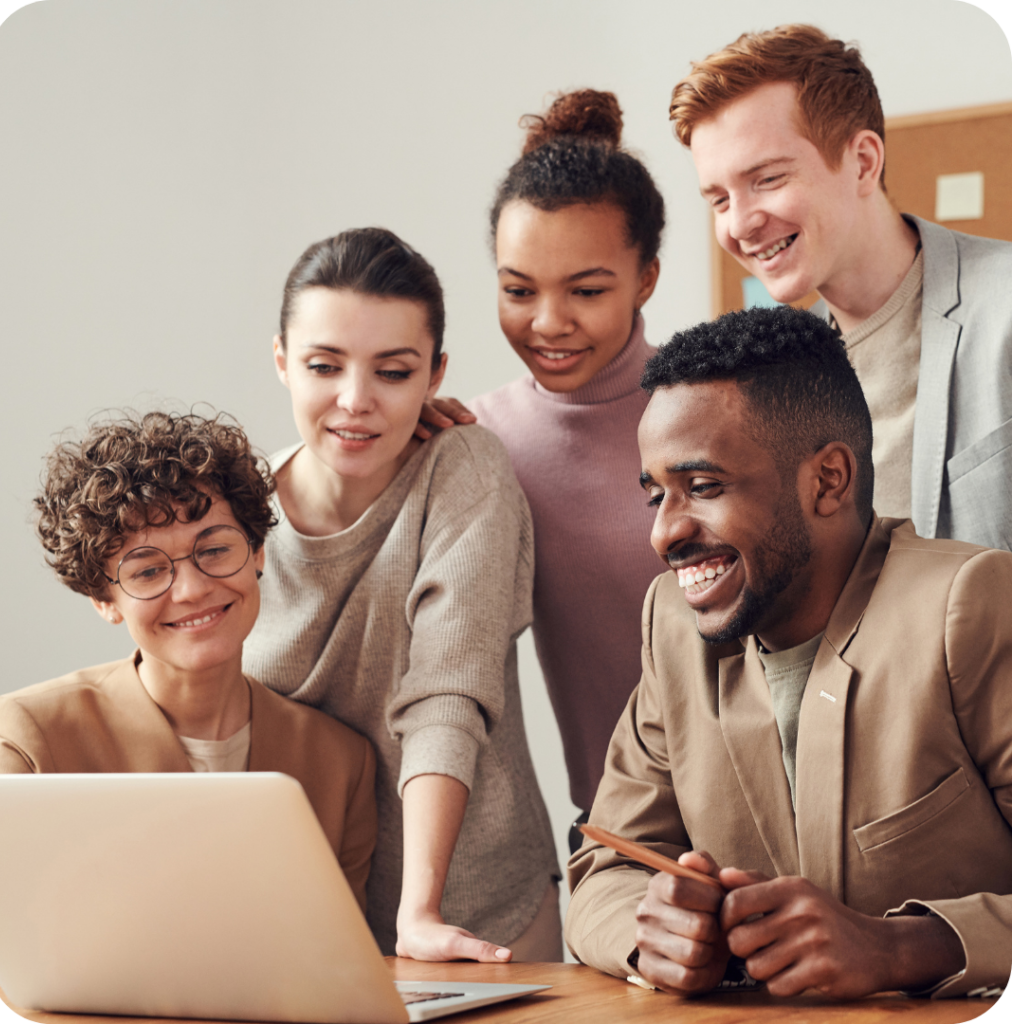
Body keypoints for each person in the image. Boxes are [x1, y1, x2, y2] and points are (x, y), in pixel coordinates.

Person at [566, 305, 1012, 1000]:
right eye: (657, 495)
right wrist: (649, 931)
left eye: (703, 488)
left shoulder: (968, 606)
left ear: (828, 481)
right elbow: (605, 866)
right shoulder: (675, 626)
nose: (664, 533)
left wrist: (903, 947)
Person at [241, 227, 561, 962]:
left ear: (434, 375)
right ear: (284, 362)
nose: (355, 402)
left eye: (392, 372)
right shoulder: (237, 508)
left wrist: (419, 913)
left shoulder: (463, 471)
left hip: (472, 914)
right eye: (325, 366)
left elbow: (446, 692)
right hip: (302, 921)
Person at [0, 411, 377, 910]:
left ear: (258, 553)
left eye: (214, 549)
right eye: (148, 571)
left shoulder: (341, 762)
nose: (193, 590)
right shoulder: (27, 742)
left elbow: (339, 969)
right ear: (103, 599)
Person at [421, 90, 666, 842]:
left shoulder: (715, 408)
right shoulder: (477, 439)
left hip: (779, 809)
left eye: (587, 291)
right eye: (518, 290)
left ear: (646, 278)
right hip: (619, 831)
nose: (548, 323)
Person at [669, 24, 1012, 550]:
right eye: (718, 199)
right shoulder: (775, 379)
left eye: (767, 179)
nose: (738, 225)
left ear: (863, 162)